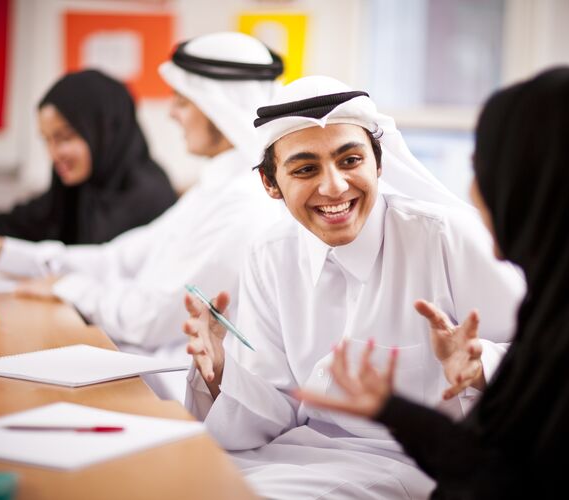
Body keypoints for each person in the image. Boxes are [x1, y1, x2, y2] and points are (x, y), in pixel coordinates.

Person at [295, 63, 569, 498]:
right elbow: (500, 459)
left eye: (487, 171)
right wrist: (394, 410)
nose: (473, 193)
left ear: (544, 187)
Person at [182, 75, 526, 498]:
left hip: (414, 463)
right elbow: (276, 406)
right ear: (271, 185)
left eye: (350, 161)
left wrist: (482, 365)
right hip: (292, 458)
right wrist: (219, 370)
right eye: (306, 169)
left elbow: (549, 367)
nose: (334, 186)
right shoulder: (269, 253)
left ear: (378, 164)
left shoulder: (445, 236)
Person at [0, 32, 285, 400]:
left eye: (182, 101)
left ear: (217, 106)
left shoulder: (246, 204)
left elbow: (154, 319)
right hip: (139, 371)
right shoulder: (214, 187)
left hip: (173, 396)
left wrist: (67, 287)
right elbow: (118, 258)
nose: (172, 113)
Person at [0, 69, 177, 244]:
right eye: (47, 140)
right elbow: (25, 226)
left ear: (105, 132)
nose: (53, 154)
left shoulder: (150, 198)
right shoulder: (78, 187)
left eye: (65, 138)